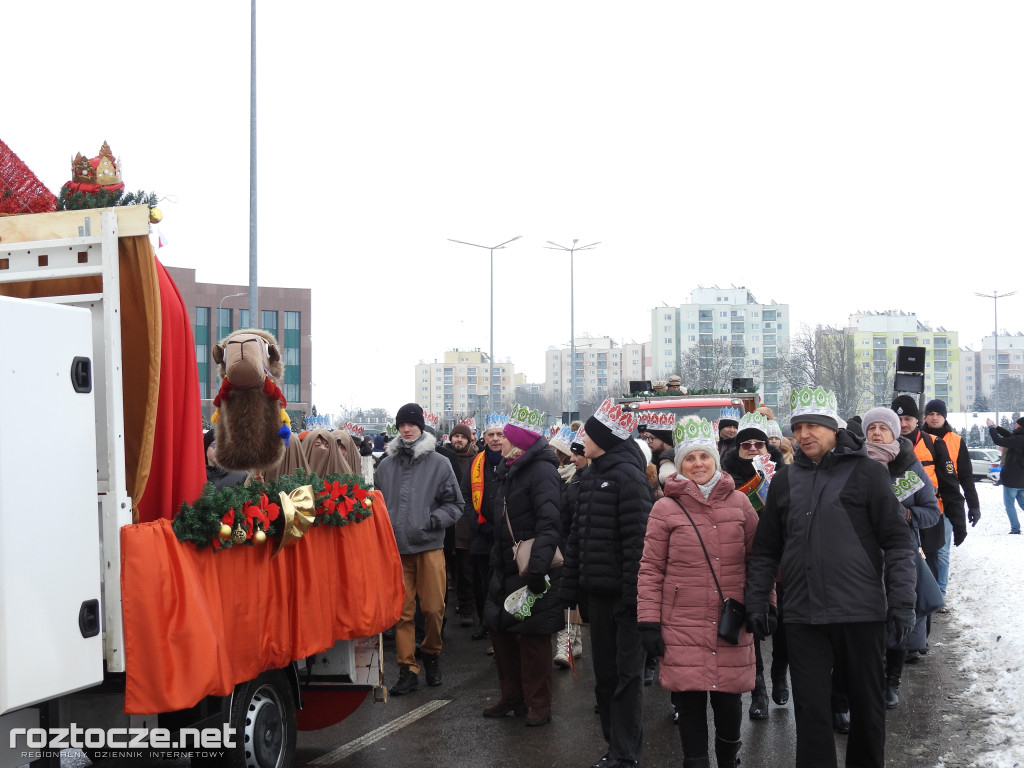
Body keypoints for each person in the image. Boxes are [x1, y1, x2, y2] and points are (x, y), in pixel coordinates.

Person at [746, 386, 917, 768]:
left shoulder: (869, 473)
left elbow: (897, 542)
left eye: (813, 426)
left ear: (833, 429)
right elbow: (766, 549)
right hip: (804, 616)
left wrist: (903, 601)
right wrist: (758, 600)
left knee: (867, 710)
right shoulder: (787, 481)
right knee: (811, 712)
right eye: (798, 427)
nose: (804, 434)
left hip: (860, 614)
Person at [638, 417, 760, 768]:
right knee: (689, 701)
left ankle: (728, 759)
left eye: (704, 457)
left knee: (728, 700)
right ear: (680, 465)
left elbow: (759, 561)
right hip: (681, 622)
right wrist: (648, 620)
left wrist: (765, 605)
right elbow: (650, 569)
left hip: (730, 619)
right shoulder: (665, 508)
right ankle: (695, 762)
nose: (698, 465)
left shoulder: (739, 503)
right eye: (690, 459)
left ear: (715, 460)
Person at [560, 399, 653, 768]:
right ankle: (613, 745)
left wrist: (634, 598)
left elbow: (637, 544)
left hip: (625, 598)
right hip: (596, 594)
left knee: (627, 679)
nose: (582, 440)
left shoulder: (627, 477)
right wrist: (569, 592)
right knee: (606, 678)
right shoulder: (587, 478)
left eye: (589, 434)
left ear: (604, 440)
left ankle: (625, 754)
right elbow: (577, 541)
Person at [374, 403, 464, 695]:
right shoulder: (385, 466)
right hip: (397, 551)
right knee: (402, 613)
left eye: (411, 424)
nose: (407, 428)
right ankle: (407, 668)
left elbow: (456, 505)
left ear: (421, 426)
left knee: (434, 609)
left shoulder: (439, 463)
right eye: (402, 424)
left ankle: (432, 653)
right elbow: (377, 504)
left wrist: (431, 520)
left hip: (428, 547)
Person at [482, 404, 562, 726]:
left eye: (508, 438)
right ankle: (512, 696)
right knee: (500, 630)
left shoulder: (541, 470)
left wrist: (538, 569)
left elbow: (549, 523)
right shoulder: (507, 468)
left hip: (530, 566)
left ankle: (538, 703)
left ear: (521, 443)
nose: (502, 442)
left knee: (532, 637)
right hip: (504, 564)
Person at [861, 407, 940, 710]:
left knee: (898, 619)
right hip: (863, 555)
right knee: (867, 621)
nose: (877, 433)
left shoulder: (910, 466)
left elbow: (932, 512)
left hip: (902, 555)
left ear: (895, 432)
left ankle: (891, 682)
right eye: (871, 428)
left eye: (883, 428)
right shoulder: (854, 465)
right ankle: (867, 681)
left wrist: (907, 513)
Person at [891, 394, 967, 657]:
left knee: (926, 580)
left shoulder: (934, 443)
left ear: (917, 420)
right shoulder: (881, 446)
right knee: (904, 581)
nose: (903, 424)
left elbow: (950, 483)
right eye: (898, 419)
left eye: (908, 418)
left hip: (930, 519)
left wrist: (959, 521)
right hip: (899, 528)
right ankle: (905, 640)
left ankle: (920, 639)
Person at [720, 410, 784, 721]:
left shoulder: (782, 474)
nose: (754, 448)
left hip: (782, 561)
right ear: (737, 448)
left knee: (783, 627)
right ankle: (758, 690)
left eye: (760, 443)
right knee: (754, 628)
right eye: (747, 444)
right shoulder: (727, 479)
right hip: (746, 562)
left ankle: (780, 678)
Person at [921, 398, 980, 596]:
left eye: (938, 414)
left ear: (944, 417)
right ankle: (923, 591)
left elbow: (966, 477)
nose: (934, 418)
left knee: (942, 551)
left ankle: (939, 593)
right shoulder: (916, 438)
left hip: (945, 504)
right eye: (931, 414)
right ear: (925, 417)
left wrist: (973, 505)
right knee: (920, 552)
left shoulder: (955, 441)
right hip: (919, 505)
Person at [462, 412, 508, 639]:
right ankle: (484, 622)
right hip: (481, 533)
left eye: (500, 434)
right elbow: (465, 495)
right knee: (481, 582)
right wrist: (476, 521)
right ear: (484, 437)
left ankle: (502, 623)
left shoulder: (513, 461)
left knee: (503, 580)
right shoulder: (475, 463)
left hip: (507, 534)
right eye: (491, 434)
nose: (496, 439)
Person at [548, 425, 584, 668]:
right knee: (560, 595)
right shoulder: (552, 477)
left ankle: (568, 642)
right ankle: (574, 640)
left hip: (571, 543)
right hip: (554, 542)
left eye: (554, 451)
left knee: (569, 594)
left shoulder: (577, 478)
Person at [449, 422, 479, 627]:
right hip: (448, 522)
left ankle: (467, 606)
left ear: (469, 440)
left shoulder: (477, 459)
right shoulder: (443, 458)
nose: (458, 440)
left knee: (468, 570)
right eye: (456, 436)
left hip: (469, 522)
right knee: (452, 569)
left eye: (463, 437)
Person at [985, 416, 1024, 534]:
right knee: (1023, 503)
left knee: (1010, 506)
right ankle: (1015, 527)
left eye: (1016, 424)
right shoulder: (1019, 438)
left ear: (1020, 426)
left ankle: (1015, 528)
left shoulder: (1018, 439)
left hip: (1011, 479)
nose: (1014, 425)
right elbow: (1010, 436)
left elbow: (999, 441)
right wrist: (997, 427)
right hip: (1022, 480)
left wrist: (991, 427)